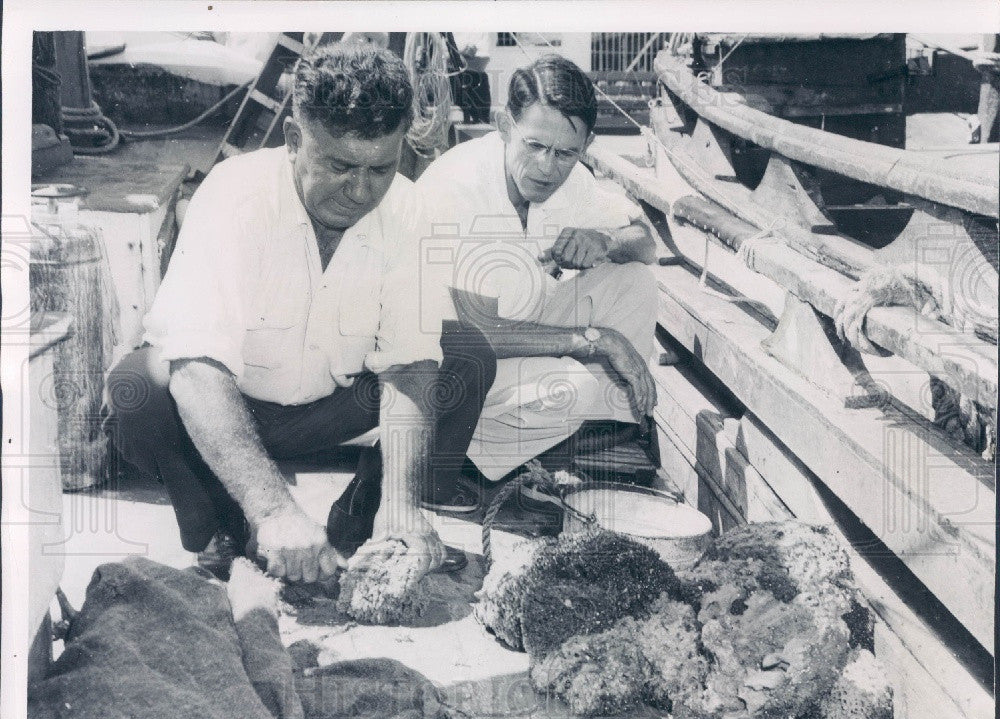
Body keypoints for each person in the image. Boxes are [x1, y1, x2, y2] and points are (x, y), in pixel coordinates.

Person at [104, 43, 496, 583]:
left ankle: (376, 524)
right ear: (293, 140)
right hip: (231, 409)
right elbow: (197, 371)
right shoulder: (232, 196)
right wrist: (274, 511)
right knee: (137, 386)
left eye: (380, 168)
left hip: (331, 409)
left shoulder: (408, 208)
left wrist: (402, 502)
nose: (360, 191)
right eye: (339, 165)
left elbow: (409, 363)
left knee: (465, 354)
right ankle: (229, 525)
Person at [415, 53, 659, 484]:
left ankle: (584, 432)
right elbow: (475, 333)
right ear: (504, 125)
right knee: (573, 386)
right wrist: (594, 339)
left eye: (566, 153)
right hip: (446, 366)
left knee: (632, 281)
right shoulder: (457, 186)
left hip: (518, 334)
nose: (547, 168)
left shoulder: (573, 177)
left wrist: (605, 242)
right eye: (535, 146)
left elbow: (645, 242)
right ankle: (460, 456)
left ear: (586, 146)